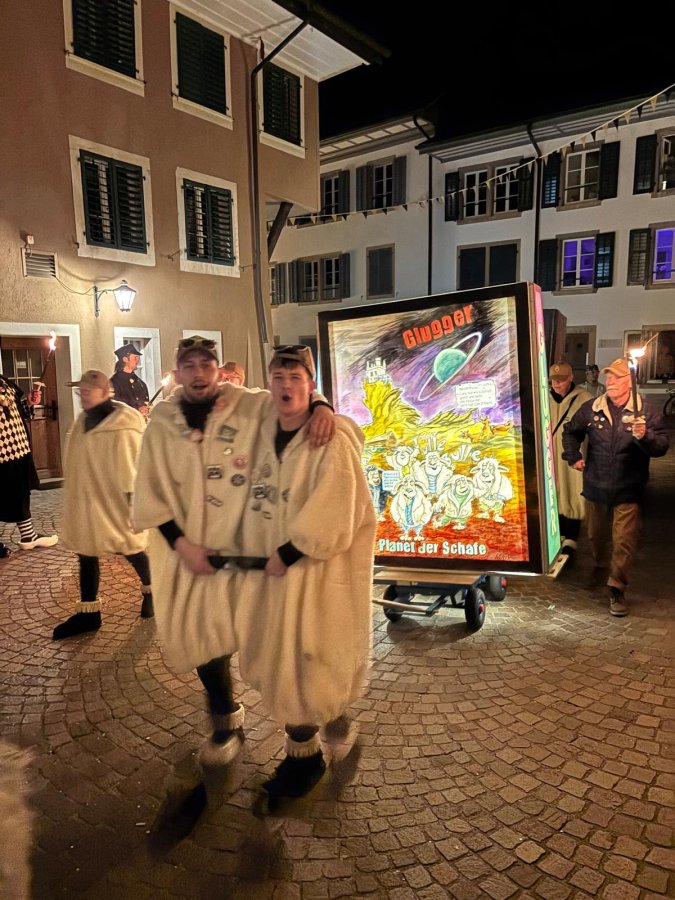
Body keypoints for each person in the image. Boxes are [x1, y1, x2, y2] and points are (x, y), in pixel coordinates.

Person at [131, 337, 336, 788]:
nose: (199, 372)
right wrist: (182, 545)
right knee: (207, 642)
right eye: (189, 365)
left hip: (251, 549)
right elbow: (150, 492)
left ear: (218, 369)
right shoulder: (161, 422)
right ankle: (226, 720)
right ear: (177, 373)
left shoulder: (246, 403)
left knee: (279, 640)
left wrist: (322, 406)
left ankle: (304, 741)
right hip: (192, 555)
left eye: (206, 364)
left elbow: (292, 392)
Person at [231, 346, 376, 798]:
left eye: (296, 378)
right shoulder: (263, 427)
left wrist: (291, 551)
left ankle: (304, 758)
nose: (286, 385)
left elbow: (340, 508)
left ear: (311, 384)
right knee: (292, 654)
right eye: (278, 377)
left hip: (314, 576)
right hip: (271, 572)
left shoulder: (330, 441)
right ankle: (331, 718)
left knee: (304, 656)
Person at [562, 357, 669, 616]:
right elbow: (570, 431)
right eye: (608, 377)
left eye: (616, 378)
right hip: (596, 486)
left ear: (629, 382)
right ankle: (600, 564)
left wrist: (645, 436)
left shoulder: (645, 411)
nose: (609, 381)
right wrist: (573, 455)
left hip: (628, 488)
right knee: (595, 536)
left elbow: (661, 446)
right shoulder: (592, 408)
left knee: (623, 541)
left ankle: (617, 587)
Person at [52, 370, 152, 640]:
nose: (82, 397)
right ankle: (89, 613)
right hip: (88, 502)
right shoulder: (84, 419)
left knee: (131, 548)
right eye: (80, 392)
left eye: (87, 392)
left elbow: (130, 469)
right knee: (86, 552)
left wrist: (134, 507)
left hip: (115, 504)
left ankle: (152, 591)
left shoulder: (122, 426)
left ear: (105, 393)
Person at [0, 372, 58, 557]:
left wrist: (29, 403)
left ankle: (28, 535)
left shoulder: (3, 381)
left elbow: (17, 411)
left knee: (20, 491)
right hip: (2, 450)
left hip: (17, 448)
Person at [549, 361, 593, 562]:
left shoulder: (584, 399)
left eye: (561, 380)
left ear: (571, 378)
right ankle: (556, 535)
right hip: (549, 456)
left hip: (574, 456)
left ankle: (571, 538)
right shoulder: (544, 398)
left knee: (573, 492)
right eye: (553, 380)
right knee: (553, 493)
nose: (556, 384)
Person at [110, 343, 150, 413]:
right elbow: (116, 408)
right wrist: (136, 410)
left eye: (138, 357)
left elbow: (145, 403)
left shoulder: (141, 383)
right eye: (135, 358)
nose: (137, 360)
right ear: (125, 359)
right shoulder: (114, 382)